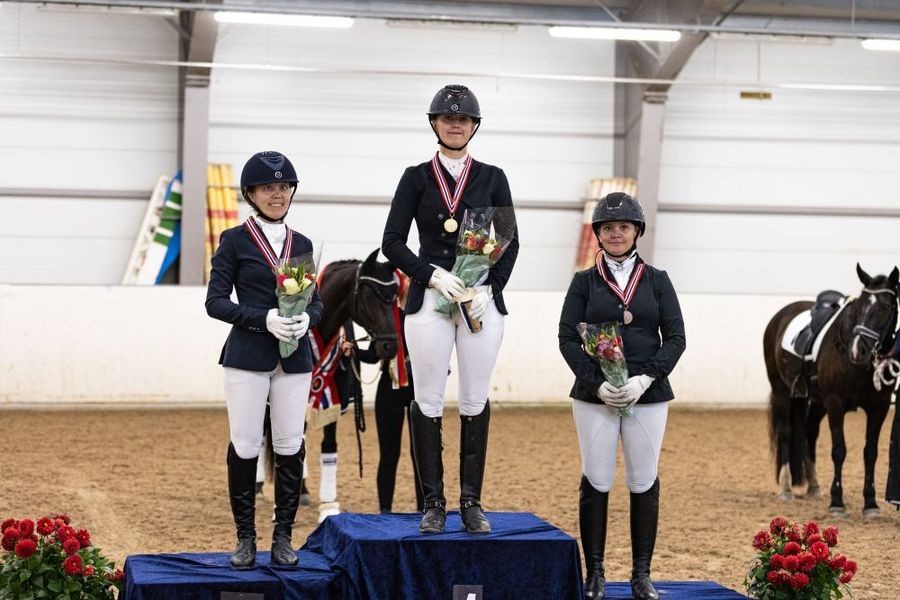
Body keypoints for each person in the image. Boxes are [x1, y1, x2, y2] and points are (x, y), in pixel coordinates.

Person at [382, 84, 519, 534]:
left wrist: (490, 288)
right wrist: (431, 275)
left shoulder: (493, 177)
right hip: (430, 301)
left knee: (475, 399)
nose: (455, 125)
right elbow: (392, 242)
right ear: (435, 124)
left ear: (473, 126)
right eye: (447, 118)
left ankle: (472, 502)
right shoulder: (415, 177)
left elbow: (509, 239)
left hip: (479, 301)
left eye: (463, 119)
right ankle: (433, 503)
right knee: (428, 399)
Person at [558, 193, 686, 600]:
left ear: (636, 232)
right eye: (608, 228)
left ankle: (641, 574)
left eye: (624, 227)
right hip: (594, 396)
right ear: (598, 233)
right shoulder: (584, 282)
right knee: (597, 478)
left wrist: (646, 379)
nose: (616, 233)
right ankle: (595, 573)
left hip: (647, 395)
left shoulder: (658, 280)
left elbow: (676, 338)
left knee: (643, 480)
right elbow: (566, 338)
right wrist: (596, 383)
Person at [206, 151, 323, 570]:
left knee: (290, 445)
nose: (277, 194)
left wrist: (308, 319)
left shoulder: (302, 244)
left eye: (284, 186)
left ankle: (283, 537)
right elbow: (215, 302)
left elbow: (316, 302)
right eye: (268, 187)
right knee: (245, 444)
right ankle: (244, 538)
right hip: (247, 356)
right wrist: (264, 319)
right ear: (251, 194)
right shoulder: (234, 240)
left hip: (294, 358)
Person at [346, 271, 424, 513]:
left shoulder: (423, 314)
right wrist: (354, 351)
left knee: (421, 456)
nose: (406, 283)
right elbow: (374, 354)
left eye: (409, 278)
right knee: (389, 455)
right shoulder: (386, 314)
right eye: (404, 279)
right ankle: (385, 511)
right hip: (389, 386)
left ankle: (426, 510)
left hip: (419, 388)